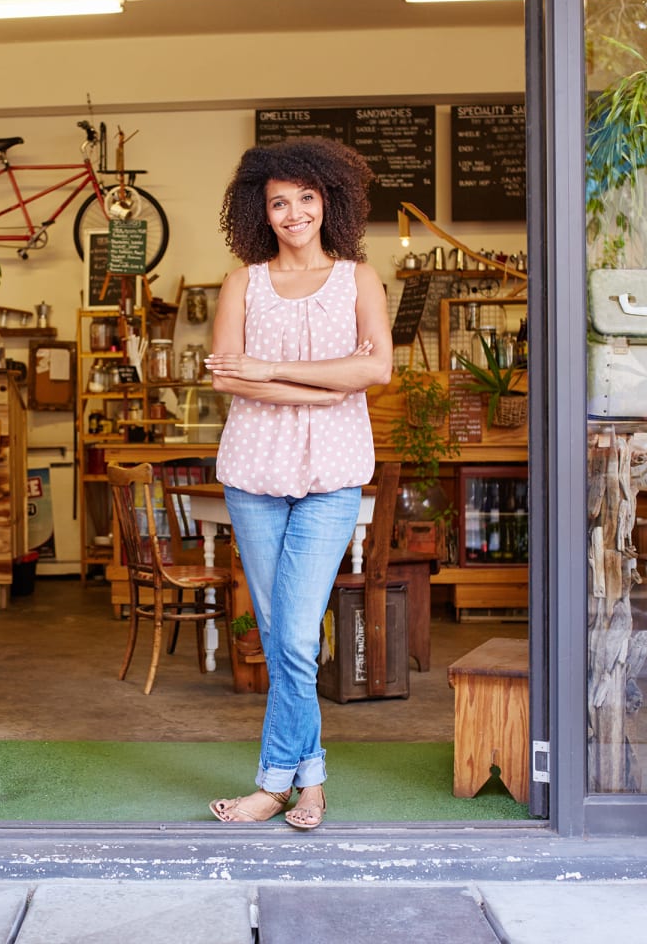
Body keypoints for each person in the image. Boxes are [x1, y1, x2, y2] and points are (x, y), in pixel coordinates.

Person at [203, 137, 392, 830]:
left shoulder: (358, 280)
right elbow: (226, 373)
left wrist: (272, 375)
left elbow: (376, 372)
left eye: (306, 199)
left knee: (295, 640)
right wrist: (323, 382)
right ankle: (309, 784)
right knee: (284, 633)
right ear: (260, 210)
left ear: (329, 202)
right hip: (253, 476)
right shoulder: (241, 283)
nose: (293, 213)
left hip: (332, 478)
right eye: (279, 202)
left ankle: (271, 783)